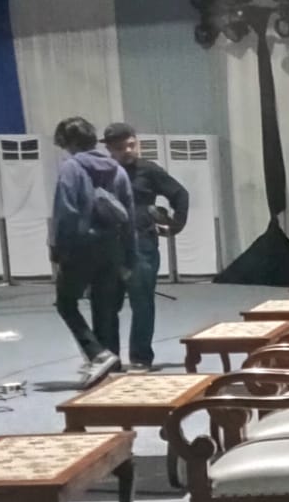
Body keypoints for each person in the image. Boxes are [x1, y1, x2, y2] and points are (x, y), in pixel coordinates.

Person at [51, 116, 133, 386]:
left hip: (80, 248)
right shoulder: (117, 170)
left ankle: (97, 354)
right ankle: (111, 371)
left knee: (66, 303)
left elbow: (66, 213)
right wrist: (129, 256)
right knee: (105, 308)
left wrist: (58, 250)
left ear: (69, 143)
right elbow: (129, 217)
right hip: (112, 248)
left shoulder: (71, 168)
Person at [101, 123, 188, 370]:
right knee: (107, 305)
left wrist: (175, 225)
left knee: (142, 304)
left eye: (131, 145)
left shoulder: (148, 170)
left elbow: (180, 194)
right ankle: (109, 359)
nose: (128, 151)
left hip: (142, 245)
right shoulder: (102, 172)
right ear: (110, 149)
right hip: (109, 247)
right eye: (121, 147)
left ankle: (140, 358)